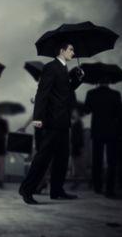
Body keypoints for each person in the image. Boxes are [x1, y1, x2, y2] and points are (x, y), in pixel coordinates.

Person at [19, 42, 83, 205]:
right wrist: (38, 118)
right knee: (43, 157)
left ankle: (57, 190)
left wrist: (77, 79)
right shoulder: (50, 68)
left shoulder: (63, 69)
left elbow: (66, 92)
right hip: (52, 121)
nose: (73, 52)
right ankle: (26, 189)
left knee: (62, 158)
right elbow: (42, 94)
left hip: (62, 122)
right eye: (71, 49)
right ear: (61, 50)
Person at [84, 83, 122, 197]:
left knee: (97, 160)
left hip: (97, 130)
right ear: (109, 81)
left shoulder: (91, 93)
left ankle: (97, 187)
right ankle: (110, 189)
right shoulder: (115, 94)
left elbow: (86, 110)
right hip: (111, 130)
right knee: (112, 161)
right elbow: (119, 113)